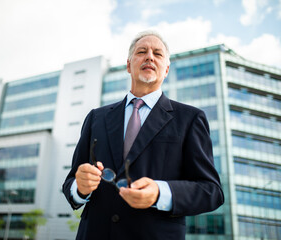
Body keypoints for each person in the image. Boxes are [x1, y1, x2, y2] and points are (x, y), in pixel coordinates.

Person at [62, 30, 224, 240]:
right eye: (142, 51)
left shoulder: (190, 119)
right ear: (129, 65)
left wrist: (159, 192)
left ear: (166, 69)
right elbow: (70, 184)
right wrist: (79, 187)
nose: (149, 56)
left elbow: (211, 191)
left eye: (157, 53)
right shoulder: (96, 117)